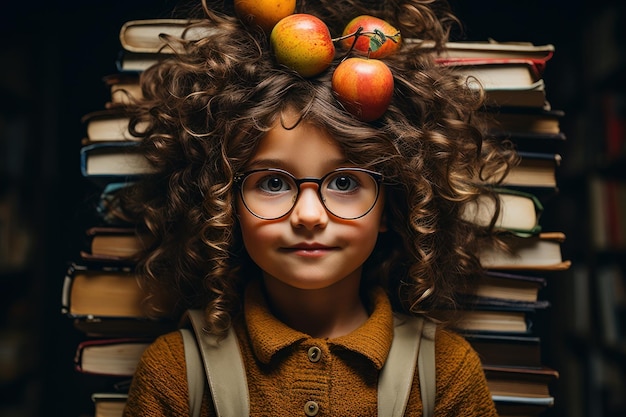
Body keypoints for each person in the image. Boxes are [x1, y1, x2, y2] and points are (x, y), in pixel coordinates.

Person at [120, 0, 517, 415]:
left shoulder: (445, 371)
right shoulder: (177, 373)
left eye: (344, 182)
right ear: (226, 204)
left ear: (391, 205)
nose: (309, 216)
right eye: (272, 183)